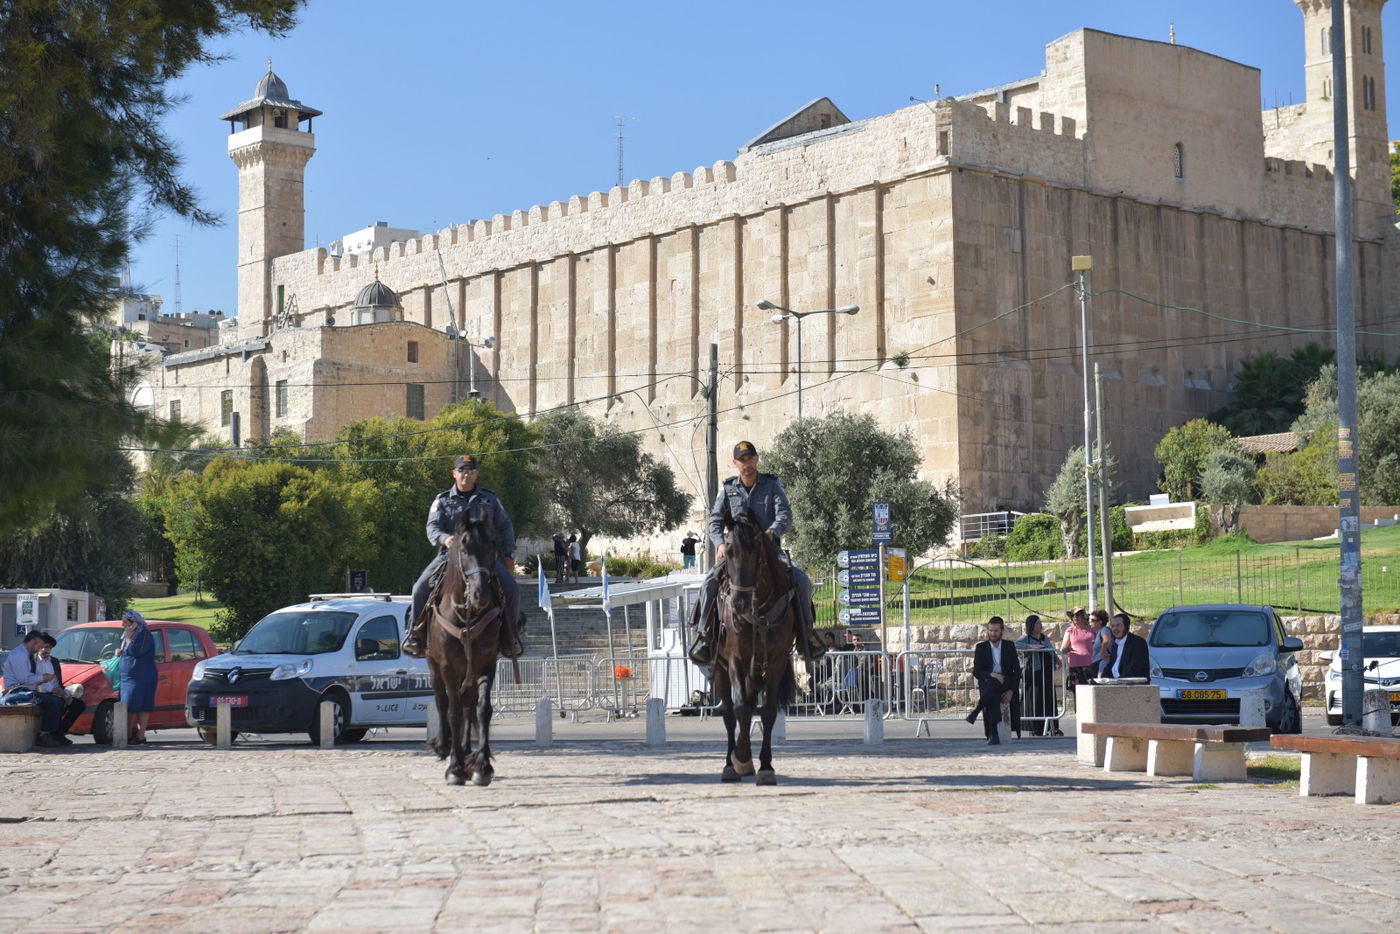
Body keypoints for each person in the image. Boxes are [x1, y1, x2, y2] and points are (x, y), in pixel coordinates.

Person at [687, 441, 827, 665]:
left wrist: (772, 531)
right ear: (735, 463)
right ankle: (705, 636)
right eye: (742, 460)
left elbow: (785, 514)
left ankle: (806, 636)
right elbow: (714, 519)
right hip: (738, 555)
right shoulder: (729, 489)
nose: (747, 464)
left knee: (802, 581)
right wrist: (720, 544)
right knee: (710, 582)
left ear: (757, 459)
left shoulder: (772, 486)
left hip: (770, 552)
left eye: (750, 458)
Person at [404, 454, 523, 659]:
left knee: (512, 588)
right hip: (448, 558)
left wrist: (510, 553)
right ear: (454, 473)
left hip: (483, 560)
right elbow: (432, 527)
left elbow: (505, 526)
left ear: (476, 474)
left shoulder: (490, 499)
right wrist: (444, 538)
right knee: (419, 589)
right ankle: (415, 635)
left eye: (470, 471)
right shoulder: (442, 500)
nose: (466, 475)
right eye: (462, 470)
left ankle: (510, 637)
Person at [2, 630, 66, 747]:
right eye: (39, 646)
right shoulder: (19, 654)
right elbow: (24, 678)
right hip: (18, 692)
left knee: (56, 701)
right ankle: (43, 734)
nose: (39, 649)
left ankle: (49, 733)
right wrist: (43, 678)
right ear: (31, 642)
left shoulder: (25, 654)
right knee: (53, 702)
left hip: (26, 690)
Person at [966, 616, 1021, 745]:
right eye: (990, 630)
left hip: (1005, 682)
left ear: (1001, 631)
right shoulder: (981, 647)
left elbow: (1017, 671)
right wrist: (992, 675)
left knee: (992, 688)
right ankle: (994, 735)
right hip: (990, 682)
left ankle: (978, 711)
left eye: (996, 631)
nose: (993, 633)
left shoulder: (1009, 646)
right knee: (993, 692)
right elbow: (977, 671)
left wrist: (1011, 691)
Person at [1014, 615, 1061, 737]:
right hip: (1033, 674)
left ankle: (1053, 727)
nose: (1041, 625)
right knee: (1035, 699)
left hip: (1046, 673)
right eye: (1038, 623)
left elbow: (1050, 649)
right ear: (1032, 626)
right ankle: (1035, 728)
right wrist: (1030, 647)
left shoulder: (1044, 638)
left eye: (1041, 623)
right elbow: (1015, 645)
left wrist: (1057, 660)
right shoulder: (1026, 638)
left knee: (1048, 699)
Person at [117, 610, 158, 744]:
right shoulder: (127, 635)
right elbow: (127, 651)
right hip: (127, 676)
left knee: (141, 705)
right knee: (128, 705)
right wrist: (120, 651)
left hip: (142, 676)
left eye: (126, 622)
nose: (123, 625)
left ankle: (140, 736)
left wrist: (129, 638)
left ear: (134, 623)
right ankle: (127, 734)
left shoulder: (144, 635)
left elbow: (136, 651)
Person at [36, 632, 85, 743]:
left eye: (47, 647)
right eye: (42, 647)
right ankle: (48, 734)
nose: (44, 650)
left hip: (58, 692)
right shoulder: (33, 661)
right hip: (41, 692)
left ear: (51, 648)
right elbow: (33, 682)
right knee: (57, 702)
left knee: (78, 705)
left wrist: (65, 694)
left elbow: (58, 682)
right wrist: (53, 691)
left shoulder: (54, 661)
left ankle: (60, 732)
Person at [1060, 607, 1096, 700]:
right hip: (1075, 668)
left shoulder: (1092, 630)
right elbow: (1062, 650)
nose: (1075, 617)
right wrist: (1068, 649)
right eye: (1073, 615)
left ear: (1084, 616)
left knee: (1092, 695)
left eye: (1078, 614)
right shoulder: (1070, 631)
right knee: (1078, 696)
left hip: (1090, 666)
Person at [1103, 613, 1150, 679]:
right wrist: (1103, 678)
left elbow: (1136, 668)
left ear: (1126, 626)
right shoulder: (1114, 644)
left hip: (1134, 685)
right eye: (1113, 626)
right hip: (1116, 684)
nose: (1115, 629)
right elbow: (1111, 665)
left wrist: (1118, 681)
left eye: (1118, 625)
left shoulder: (1138, 643)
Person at [1089, 608, 1111, 677]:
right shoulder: (1098, 633)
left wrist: (1102, 652)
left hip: (1102, 664)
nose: (1090, 622)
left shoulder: (1104, 629)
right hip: (1097, 664)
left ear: (1100, 622)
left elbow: (1106, 641)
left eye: (1093, 620)